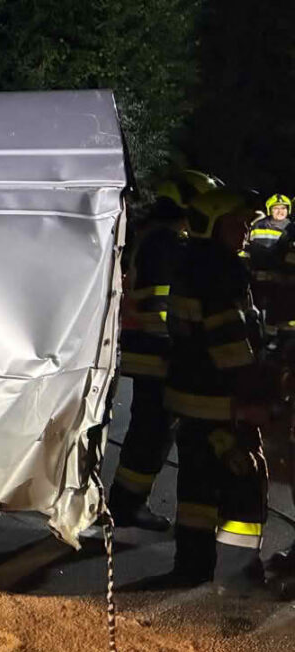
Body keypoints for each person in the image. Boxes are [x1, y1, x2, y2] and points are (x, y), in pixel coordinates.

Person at [137, 188, 271, 591]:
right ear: (212, 225)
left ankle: (191, 567)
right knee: (244, 484)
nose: (246, 230)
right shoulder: (220, 272)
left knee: (197, 490)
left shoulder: (193, 264)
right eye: (238, 223)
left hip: (192, 400)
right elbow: (229, 347)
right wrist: (258, 395)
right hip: (222, 403)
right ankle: (239, 572)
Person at [109, 170, 222, 530]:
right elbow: (162, 302)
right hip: (157, 350)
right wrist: (179, 346)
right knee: (153, 430)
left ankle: (127, 502)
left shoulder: (157, 237)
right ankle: (127, 505)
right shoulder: (168, 243)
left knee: (151, 428)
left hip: (150, 347)